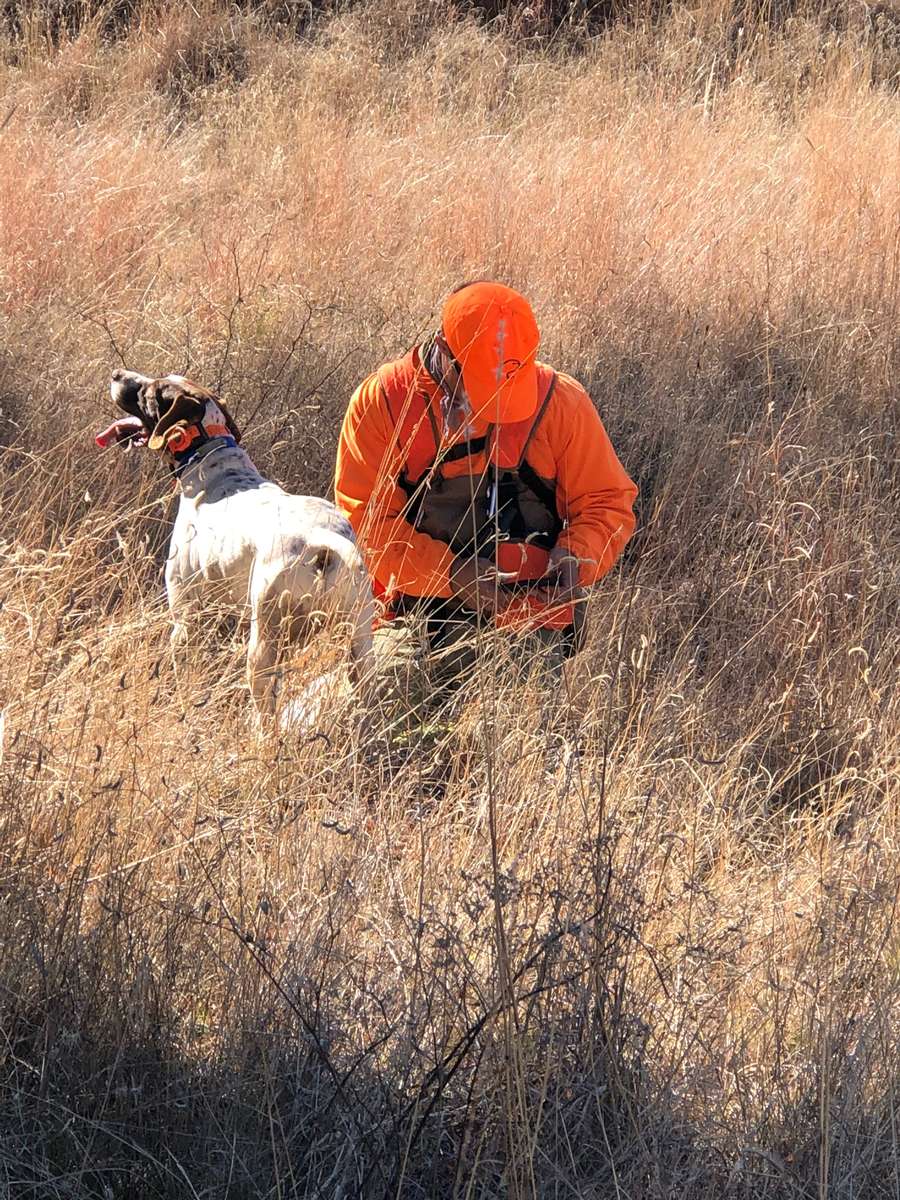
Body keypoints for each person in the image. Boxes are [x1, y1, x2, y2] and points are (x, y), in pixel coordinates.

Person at [334, 281, 637, 698]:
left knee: (514, 723)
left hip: (524, 616)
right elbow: (363, 528)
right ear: (444, 351)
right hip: (411, 611)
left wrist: (575, 558)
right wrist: (453, 576)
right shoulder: (385, 402)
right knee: (384, 700)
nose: (495, 409)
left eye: (510, 392)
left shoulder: (560, 402)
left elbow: (607, 503)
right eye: (481, 388)